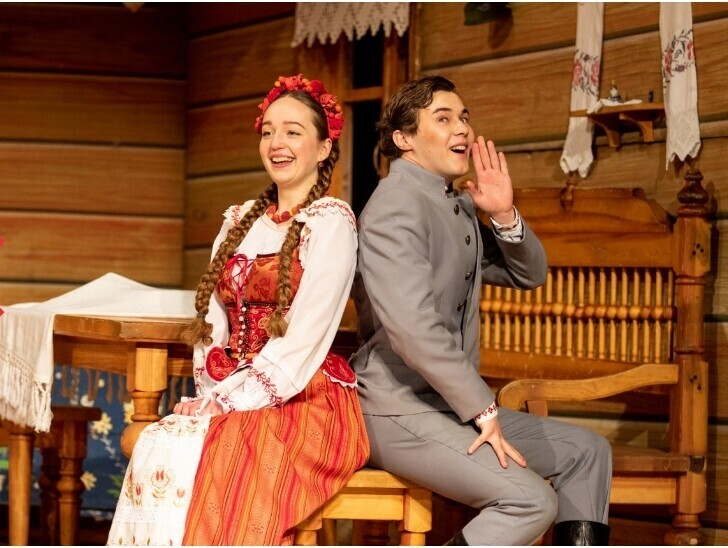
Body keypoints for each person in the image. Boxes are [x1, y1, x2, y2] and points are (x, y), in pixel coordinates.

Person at [107, 74, 369, 546]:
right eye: (268, 131)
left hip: (303, 395)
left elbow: (305, 336)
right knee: (163, 443)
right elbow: (213, 323)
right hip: (233, 385)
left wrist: (230, 402)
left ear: (324, 148)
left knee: (230, 457)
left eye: (293, 131)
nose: (276, 142)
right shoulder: (239, 220)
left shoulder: (331, 223)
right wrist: (212, 392)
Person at [350, 75, 612, 546]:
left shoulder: (453, 203)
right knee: (532, 501)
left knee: (588, 451)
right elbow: (414, 331)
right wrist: (483, 407)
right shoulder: (395, 206)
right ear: (404, 138)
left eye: (464, 117)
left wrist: (504, 215)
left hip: (449, 406)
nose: (462, 129)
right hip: (395, 409)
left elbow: (528, 274)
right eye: (443, 118)